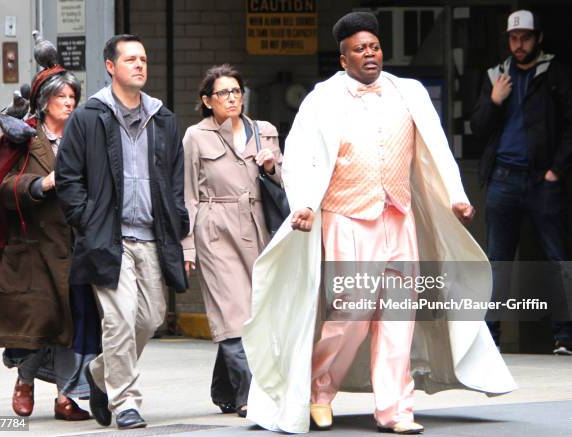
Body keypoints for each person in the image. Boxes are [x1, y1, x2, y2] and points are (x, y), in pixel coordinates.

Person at [243, 11, 517, 434]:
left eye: (374, 47)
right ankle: (319, 390)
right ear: (343, 59)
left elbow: (436, 147)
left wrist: (456, 197)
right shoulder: (322, 97)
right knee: (349, 316)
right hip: (345, 217)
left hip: (398, 218)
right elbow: (302, 156)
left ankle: (395, 409)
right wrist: (304, 204)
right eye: (359, 49)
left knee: (398, 318)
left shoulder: (408, 92)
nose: (369, 54)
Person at [56, 34, 189, 430]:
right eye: (130, 59)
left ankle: (99, 374)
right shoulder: (88, 116)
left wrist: (176, 218)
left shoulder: (163, 118)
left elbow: (175, 180)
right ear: (111, 66)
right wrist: (87, 219)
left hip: (152, 236)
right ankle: (126, 401)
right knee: (118, 320)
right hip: (107, 239)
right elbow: (68, 178)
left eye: (144, 59)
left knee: (149, 320)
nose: (140, 65)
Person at [0, 61, 93, 420]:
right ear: (45, 102)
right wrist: (39, 184)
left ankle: (66, 397)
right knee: (36, 323)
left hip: (73, 245)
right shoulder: (24, 138)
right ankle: (25, 381)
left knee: (70, 322)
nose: (69, 102)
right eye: (62, 96)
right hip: (31, 248)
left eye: (73, 96)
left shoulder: (82, 137)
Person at [182, 64, 282, 417]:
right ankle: (247, 395)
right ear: (207, 101)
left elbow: (285, 182)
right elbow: (188, 195)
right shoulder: (196, 136)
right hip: (216, 227)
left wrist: (271, 166)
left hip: (258, 227)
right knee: (231, 309)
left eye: (236, 91)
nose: (232, 98)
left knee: (256, 309)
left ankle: (224, 388)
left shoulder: (263, 131)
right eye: (223, 93)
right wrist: (188, 245)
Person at [471, 10, 572, 354]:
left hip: (543, 179)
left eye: (526, 37)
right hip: (503, 177)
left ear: (538, 38)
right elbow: (478, 128)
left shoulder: (555, 73)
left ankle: (565, 337)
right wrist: (494, 101)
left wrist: (556, 170)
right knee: (498, 260)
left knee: (557, 258)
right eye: (513, 38)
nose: (519, 44)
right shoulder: (496, 76)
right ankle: (491, 338)